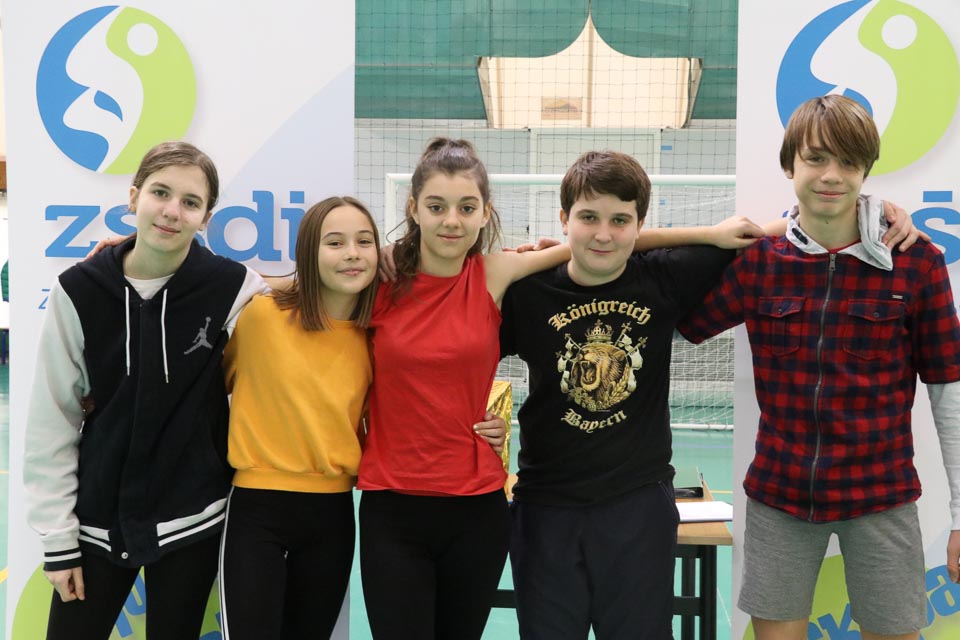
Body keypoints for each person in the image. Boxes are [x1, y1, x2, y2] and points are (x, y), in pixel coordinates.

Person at [678, 95, 960, 640]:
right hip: (779, 496)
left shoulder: (916, 263)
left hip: (882, 497)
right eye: (816, 158)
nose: (831, 176)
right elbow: (668, 317)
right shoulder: (759, 263)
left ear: (866, 171)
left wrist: (959, 515)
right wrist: (576, 255)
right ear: (790, 164)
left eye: (849, 162)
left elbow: (949, 392)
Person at [24, 141, 267, 639]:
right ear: (134, 197)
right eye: (161, 193)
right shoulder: (79, 290)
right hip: (97, 524)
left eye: (191, 202)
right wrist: (59, 541)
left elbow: (303, 293)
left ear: (206, 218)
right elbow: (53, 418)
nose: (173, 211)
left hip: (193, 521)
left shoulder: (232, 287)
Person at [357, 137, 593, 640]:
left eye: (466, 208)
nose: (452, 221)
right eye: (436, 207)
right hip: (392, 507)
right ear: (413, 209)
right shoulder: (378, 280)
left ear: (485, 213)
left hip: (476, 508)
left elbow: (605, 241)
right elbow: (296, 287)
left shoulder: (493, 274)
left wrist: (718, 233)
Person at [217, 196, 378, 639]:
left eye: (364, 241)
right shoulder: (260, 317)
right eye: (335, 242)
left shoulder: (377, 335)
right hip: (256, 510)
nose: (352, 253)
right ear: (309, 251)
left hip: (333, 515)